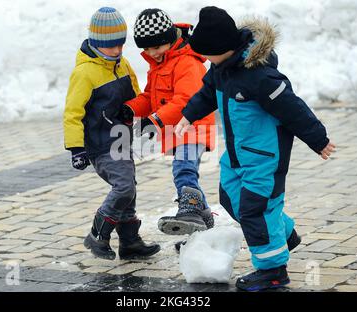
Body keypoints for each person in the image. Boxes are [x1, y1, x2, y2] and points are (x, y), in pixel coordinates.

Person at [175, 6, 336, 291]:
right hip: (237, 155)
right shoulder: (220, 68)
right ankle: (284, 233)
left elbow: (293, 108)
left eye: (206, 53)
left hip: (264, 158)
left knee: (255, 210)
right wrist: (188, 115)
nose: (203, 59)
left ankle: (273, 271)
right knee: (229, 197)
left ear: (221, 48)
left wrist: (318, 139)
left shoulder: (259, 76)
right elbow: (207, 93)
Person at [63, 7, 160, 260]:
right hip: (100, 144)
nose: (117, 51)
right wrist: (76, 148)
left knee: (130, 190)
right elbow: (73, 113)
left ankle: (129, 243)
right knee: (124, 188)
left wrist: (144, 119)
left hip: (121, 139)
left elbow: (137, 98)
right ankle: (97, 234)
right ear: (96, 42)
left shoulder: (122, 64)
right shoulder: (84, 73)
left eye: (120, 44)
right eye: (110, 46)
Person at [124, 9, 217, 240]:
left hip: (194, 126)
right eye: (146, 49)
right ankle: (202, 223)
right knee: (185, 170)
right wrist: (131, 109)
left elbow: (185, 100)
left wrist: (155, 121)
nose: (151, 53)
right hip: (177, 130)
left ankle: (190, 211)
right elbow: (150, 96)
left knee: (184, 169)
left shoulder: (187, 62)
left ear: (169, 39)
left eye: (156, 47)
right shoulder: (160, 64)